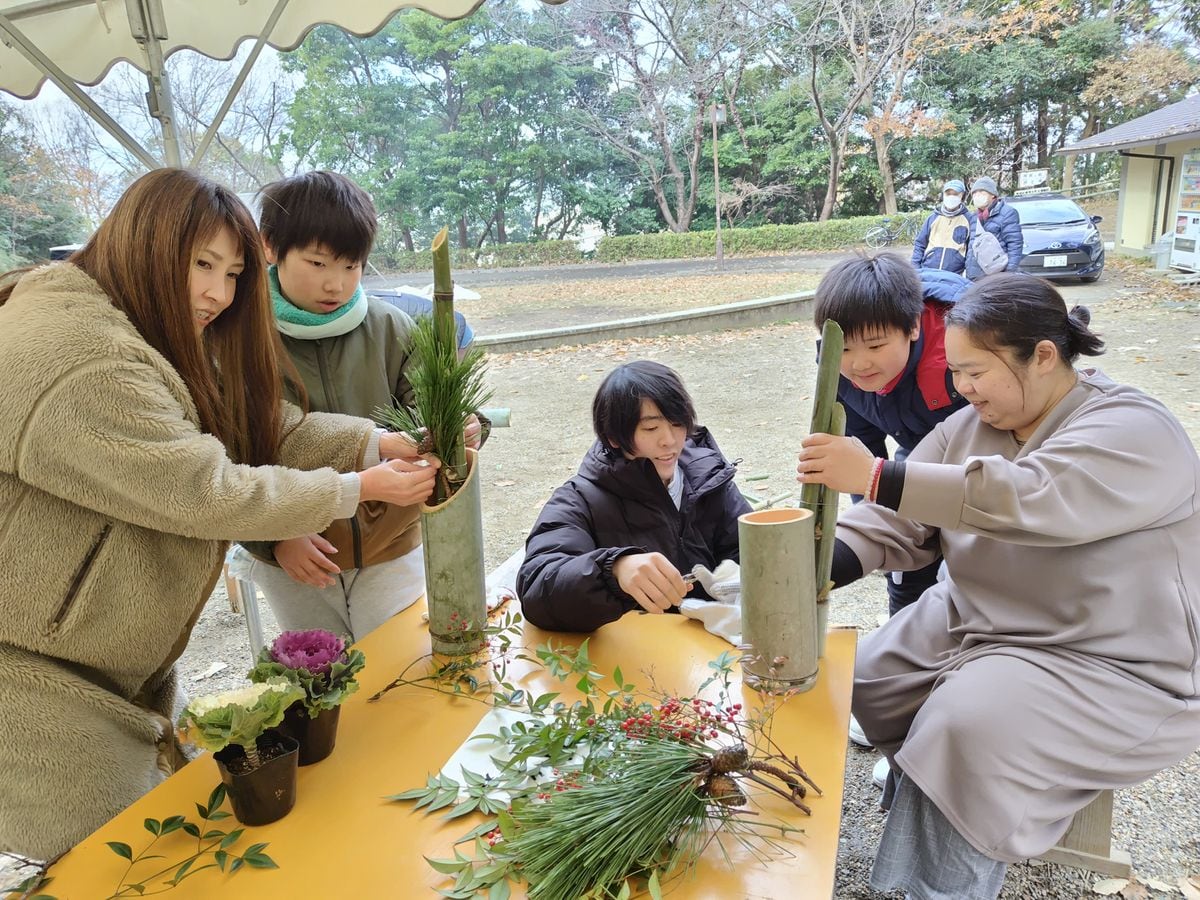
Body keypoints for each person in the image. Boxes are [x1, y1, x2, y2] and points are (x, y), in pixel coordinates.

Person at [0, 168, 440, 861]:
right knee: (126, 861)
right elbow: (205, 489)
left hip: (98, 660)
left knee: (158, 844)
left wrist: (371, 440)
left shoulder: (133, 324)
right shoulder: (84, 359)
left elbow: (250, 424)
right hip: (38, 682)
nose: (218, 292)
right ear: (140, 242)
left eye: (234, 272)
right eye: (201, 264)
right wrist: (353, 487)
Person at [796, 274, 1200, 899]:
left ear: (1042, 355)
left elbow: (1029, 498)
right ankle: (937, 811)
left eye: (975, 372)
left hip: (1105, 653)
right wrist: (819, 564)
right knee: (862, 675)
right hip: (979, 618)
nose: (962, 389)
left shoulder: (1134, 429)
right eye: (955, 371)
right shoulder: (970, 426)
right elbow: (899, 519)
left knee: (968, 728)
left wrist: (875, 473)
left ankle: (944, 880)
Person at [241, 171, 482, 641]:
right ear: (270, 246)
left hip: (392, 545)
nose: (336, 284)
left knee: (397, 672)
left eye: (352, 266)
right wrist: (272, 541)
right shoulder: (240, 339)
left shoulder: (392, 327)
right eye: (317, 263)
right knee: (325, 685)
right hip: (298, 553)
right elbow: (230, 459)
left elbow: (430, 417)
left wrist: (464, 427)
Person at [812, 252, 971, 784]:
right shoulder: (840, 367)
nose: (860, 363)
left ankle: (944, 724)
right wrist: (873, 534)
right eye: (848, 347)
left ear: (912, 328)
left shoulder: (959, 363)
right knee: (905, 577)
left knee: (964, 586)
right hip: (910, 462)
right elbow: (863, 455)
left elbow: (976, 469)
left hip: (975, 470)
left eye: (876, 346)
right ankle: (904, 711)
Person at [518, 361, 751, 632]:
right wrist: (613, 570)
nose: (670, 441)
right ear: (613, 437)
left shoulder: (708, 477)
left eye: (677, 423)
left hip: (716, 653)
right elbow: (537, 586)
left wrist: (736, 577)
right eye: (651, 429)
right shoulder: (580, 499)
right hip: (634, 661)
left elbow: (754, 550)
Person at [964, 175, 1023, 280]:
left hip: (997, 274)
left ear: (993, 195)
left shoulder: (1007, 213)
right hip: (975, 275)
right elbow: (971, 246)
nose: (978, 196)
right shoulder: (974, 217)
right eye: (975, 193)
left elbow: (1015, 245)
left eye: (982, 192)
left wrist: (1009, 274)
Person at [910, 179, 973, 274]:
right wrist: (914, 269)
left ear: (962, 196)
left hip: (955, 275)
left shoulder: (969, 219)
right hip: (928, 270)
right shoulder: (933, 218)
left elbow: (971, 252)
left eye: (955, 194)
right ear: (943, 195)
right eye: (948, 194)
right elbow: (920, 244)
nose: (951, 197)